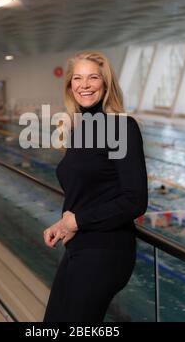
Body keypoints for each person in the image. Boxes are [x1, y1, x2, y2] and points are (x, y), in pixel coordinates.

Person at [42, 50, 148, 322]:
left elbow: (135, 199)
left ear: (105, 83)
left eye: (93, 78)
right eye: (77, 78)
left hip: (107, 251)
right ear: (70, 85)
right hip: (79, 246)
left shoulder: (122, 128)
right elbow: (90, 193)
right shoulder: (79, 129)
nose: (84, 85)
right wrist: (63, 222)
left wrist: (77, 221)